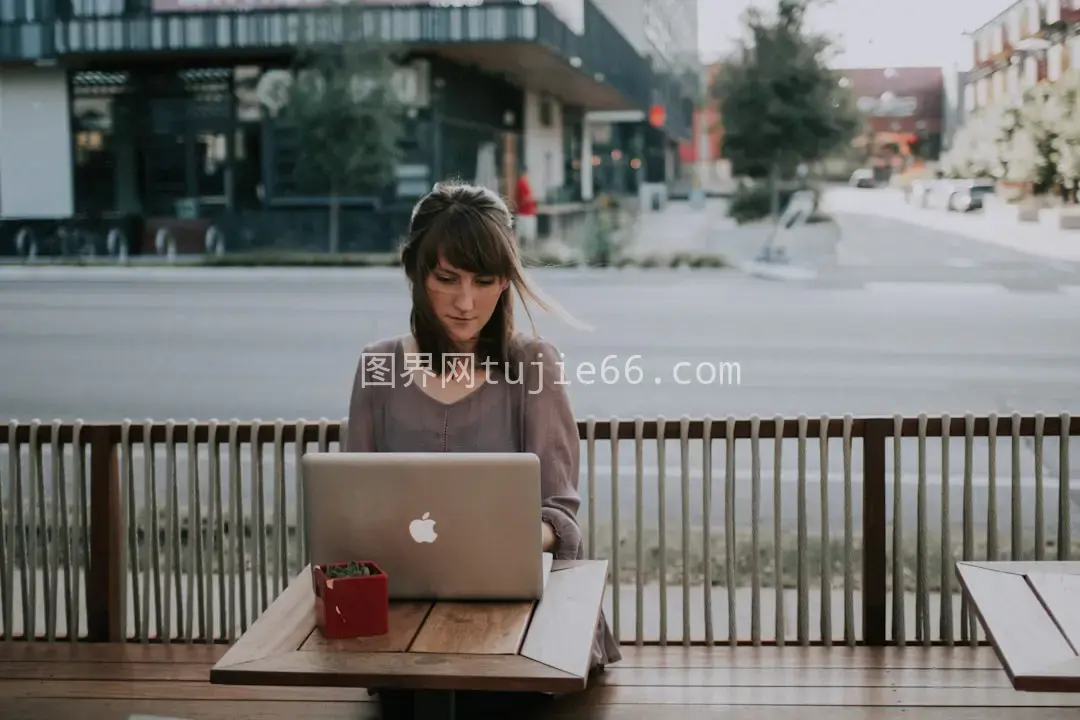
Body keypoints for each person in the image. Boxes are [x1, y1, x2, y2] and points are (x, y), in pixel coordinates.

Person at [345, 179, 620, 716]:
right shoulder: (378, 367)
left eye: (485, 280)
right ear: (415, 273)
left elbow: (561, 519)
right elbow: (353, 507)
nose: (466, 303)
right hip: (405, 619)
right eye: (446, 279)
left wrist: (493, 540)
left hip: (523, 623)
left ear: (505, 282)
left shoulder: (533, 365)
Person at [514, 166, 538, 249]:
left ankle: (523, 249)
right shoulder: (522, 183)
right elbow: (525, 198)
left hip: (526, 212)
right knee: (526, 234)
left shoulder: (523, 182)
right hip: (525, 212)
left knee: (523, 233)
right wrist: (532, 198)